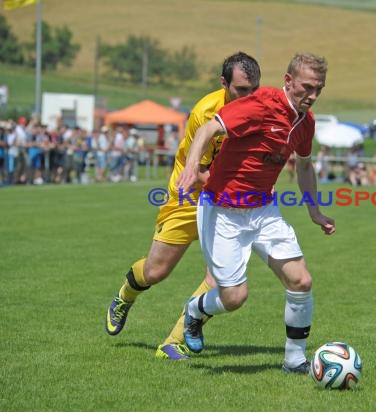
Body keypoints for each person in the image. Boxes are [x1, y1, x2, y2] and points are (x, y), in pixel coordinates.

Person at [176, 52, 336, 374]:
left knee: (301, 281)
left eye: (319, 89)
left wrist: (314, 212)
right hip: (222, 210)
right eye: (307, 87)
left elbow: (304, 166)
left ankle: (294, 362)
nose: (313, 96)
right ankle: (195, 309)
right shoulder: (262, 104)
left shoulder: (307, 123)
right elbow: (209, 129)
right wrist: (192, 168)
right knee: (234, 298)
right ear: (288, 81)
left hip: (263, 209)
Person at [105, 52, 261, 361]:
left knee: (220, 278)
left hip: (225, 200)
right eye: (241, 90)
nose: (248, 97)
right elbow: (201, 173)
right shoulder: (206, 112)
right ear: (224, 83)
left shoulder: (257, 109)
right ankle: (125, 295)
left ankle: (172, 343)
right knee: (156, 271)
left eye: (253, 89)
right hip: (189, 193)